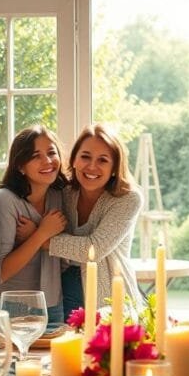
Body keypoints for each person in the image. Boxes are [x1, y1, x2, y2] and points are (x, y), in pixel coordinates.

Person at [48, 123, 143, 314]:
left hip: (111, 301)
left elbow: (94, 249)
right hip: (62, 292)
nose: (92, 166)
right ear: (74, 159)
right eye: (85, 157)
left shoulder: (128, 199)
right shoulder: (63, 193)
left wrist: (39, 237)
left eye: (103, 160)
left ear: (115, 167)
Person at [0, 126, 68, 322]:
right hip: (7, 306)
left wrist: (34, 234)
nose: (47, 161)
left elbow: (71, 254)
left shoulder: (60, 196)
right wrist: (41, 234)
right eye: (36, 156)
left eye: (51, 152)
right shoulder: (5, 200)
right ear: (20, 166)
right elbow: (0, 272)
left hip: (53, 306)